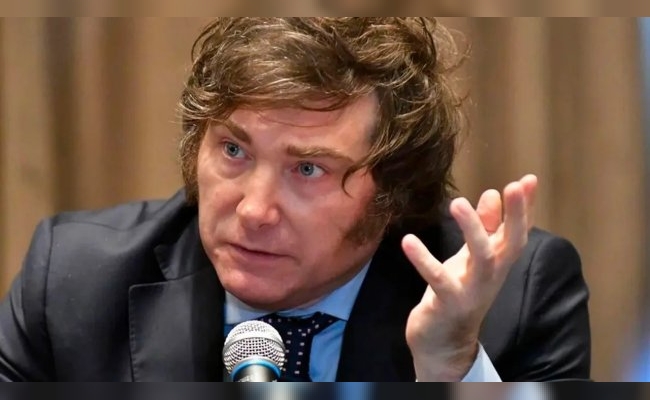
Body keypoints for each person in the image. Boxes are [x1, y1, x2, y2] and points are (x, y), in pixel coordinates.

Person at [0, 17, 590, 382]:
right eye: (234, 150)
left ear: (394, 192)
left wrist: (450, 367)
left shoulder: (511, 300)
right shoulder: (74, 283)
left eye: (308, 169)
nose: (254, 211)